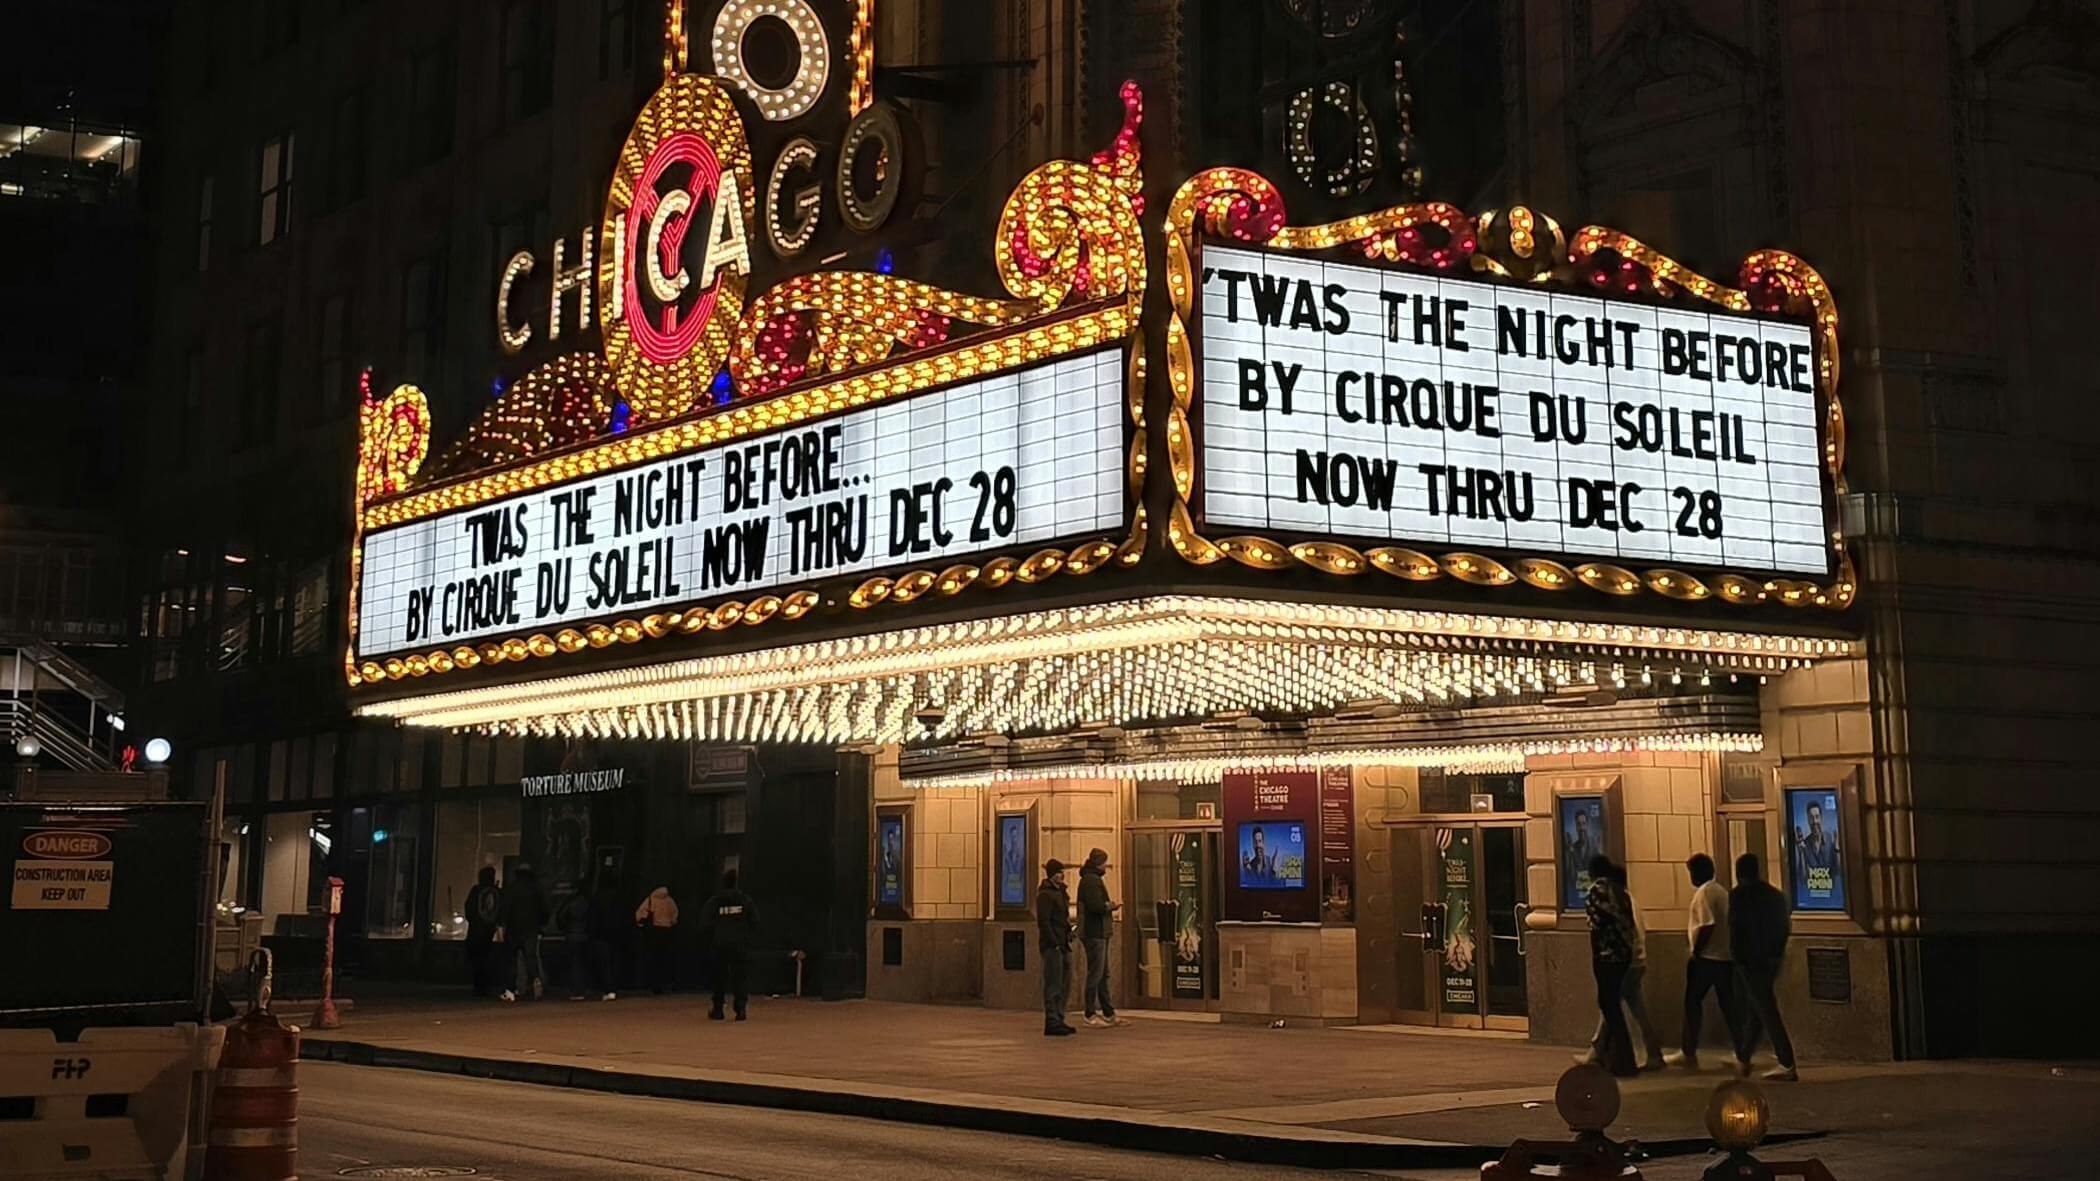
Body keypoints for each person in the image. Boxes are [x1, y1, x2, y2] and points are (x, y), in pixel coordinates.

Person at [1666, 853, 1741, 1068]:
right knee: (1729, 1005)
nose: (1690, 877)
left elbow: (1707, 925)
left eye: (1691, 872)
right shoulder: (1722, 892)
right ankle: (1741, 1051)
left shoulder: (1705, 893)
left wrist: (1696, 951)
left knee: (1692, 1003)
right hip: (1725, 957)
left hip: (1707, 958)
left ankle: (1688, 1052)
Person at [1586, 863, 1664, 1070]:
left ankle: (1598, 1051)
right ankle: (1653, 1052)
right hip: (1635, 960)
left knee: (1610, 1006)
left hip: (1627, 962)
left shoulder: (1621, 901)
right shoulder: (1628, 900)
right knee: (1633, 1008)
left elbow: (1629, 933)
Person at [1730, 853, 1799, 1081]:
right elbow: (1784, 927)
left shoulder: (1738, 896)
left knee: (1765, 1009)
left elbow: (1736, 930)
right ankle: (1744, 1057)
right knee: (1757, 1008)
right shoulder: (1775, 896)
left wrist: (1738, 958)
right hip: (1771, 960)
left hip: (1750, 962)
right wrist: (1777, 953)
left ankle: (1786, 1061)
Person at [1582, 854, 1639, 1077]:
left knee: (1609, 1005)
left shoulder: (1597, 891)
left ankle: (1624, 1059)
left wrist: (1596, 955)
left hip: (1607, 956)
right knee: (1612, 1004)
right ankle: (1615, 1056)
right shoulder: (1621, 892)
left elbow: (1596, 926)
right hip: (1624, 955)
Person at [1077, 848, 1125, 1027]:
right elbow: (1096, 906)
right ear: (1098, 863)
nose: (1107, 865)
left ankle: (1108, 1011)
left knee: (1103, 974)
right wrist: (1112, 905)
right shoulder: (1091, 881)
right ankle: (1090, 1013)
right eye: (1104, 862)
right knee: (1096, 973)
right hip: (1094, 932)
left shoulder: (1092, 879)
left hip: (1099, 932)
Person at [701, 868, 756, 1021]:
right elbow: (755, 921)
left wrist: (712, 939)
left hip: (720, 944)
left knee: (719, 977)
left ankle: (718, 1010)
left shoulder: (715, 901)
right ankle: (741, 1010)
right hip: (740, 945)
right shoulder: (745, 900)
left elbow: (705, 924)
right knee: (740, 977)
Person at [1037, 858, 1076, 1036]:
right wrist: (1054, 943)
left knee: (1065, 981)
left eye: (1063, 872)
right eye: (1059, 872)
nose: (1062, 875)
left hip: (1063, 943)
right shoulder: (1045, 894)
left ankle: (1059, 1017)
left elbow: (1062, 919)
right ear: (1052, 874)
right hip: (1053, 946)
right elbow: (1044, 922)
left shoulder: (1061, 892)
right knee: (1053, 983)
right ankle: (1052, 1019)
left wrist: (1069, 932)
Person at [499, 865, 550, 1003]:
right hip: (531, 929)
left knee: (511, 960)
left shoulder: (512, 888)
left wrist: (502, 925)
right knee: (531, 957)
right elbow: (544, 909)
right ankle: (536, 979)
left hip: (514, 929)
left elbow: (505, 908)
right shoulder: (536, 888)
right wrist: (541, 925)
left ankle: (510, 990)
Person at [584, 877, 625, 1001]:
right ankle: (614, 987)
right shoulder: (619, 899)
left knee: (603, 964)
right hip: (615, 935)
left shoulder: (596, 899)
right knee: (613, 962)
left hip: (599, 936)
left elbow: (592, 919)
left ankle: (608, 989)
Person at [635, 883, 680, 994]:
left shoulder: (651, 899)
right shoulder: (670, 901)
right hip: (667, 931)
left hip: (654, 930)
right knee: (665, 958)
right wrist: (671, 922)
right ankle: (667, 982)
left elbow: (640, 913)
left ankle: (654, 984)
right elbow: (675, 914)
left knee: (653, 958)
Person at [464, 866, 502, 997]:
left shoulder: (476, 890)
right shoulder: (497, 891)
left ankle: (479, 986)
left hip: (476, 930)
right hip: (489, 930)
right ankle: (485, 985)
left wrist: (473, 921)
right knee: (486, 958)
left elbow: (469, 908)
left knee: (477, 959)